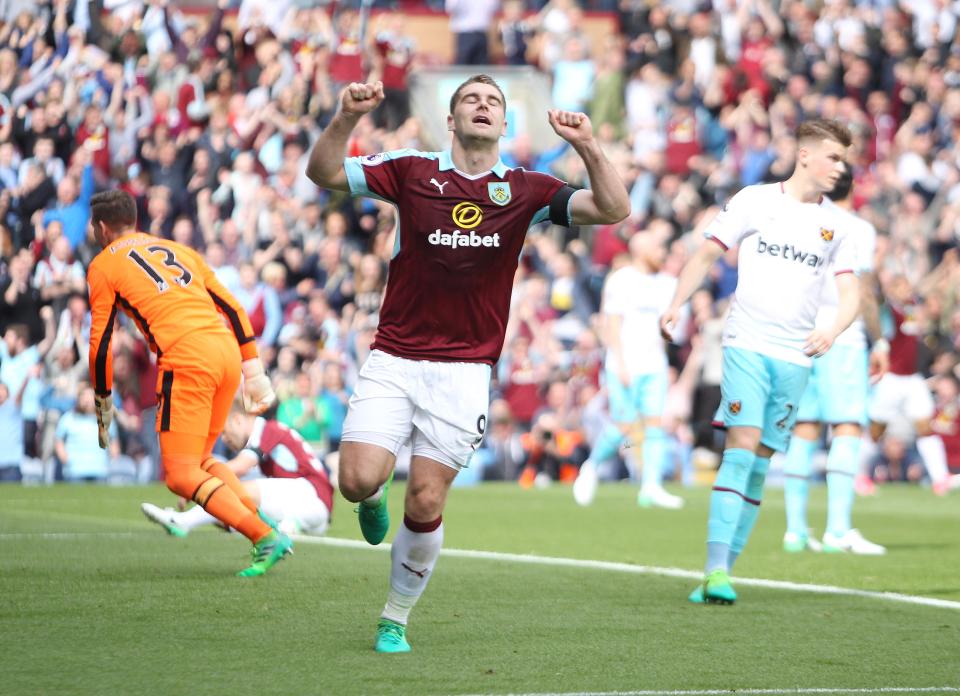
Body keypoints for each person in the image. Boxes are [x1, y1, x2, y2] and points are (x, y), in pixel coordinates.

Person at [306, 75, 629, 652]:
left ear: (505, 125)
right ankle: (373, 496)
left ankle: (394, 617)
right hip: (396, 356)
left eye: (494, 103)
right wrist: (345, 115)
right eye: (470, 101)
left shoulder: (527, 189)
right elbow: (325, 173)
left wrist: (588, 146)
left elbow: (613, 208)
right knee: (356, 481)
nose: (483, 107)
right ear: (450, 121)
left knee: (427, 499)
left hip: (465, 370)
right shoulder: (409, 171)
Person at [660, 119, 861, 605]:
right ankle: (713, 570)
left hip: (797, 356)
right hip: (747, 342)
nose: (840, 167)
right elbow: (706, 254)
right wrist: (677, 302)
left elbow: (852, 291)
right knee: (742, 445)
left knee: (760, 461)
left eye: (843, 159)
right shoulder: (754, 200)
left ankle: (723, 571)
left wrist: (832, 330)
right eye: (833, 156)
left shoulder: (840, 226)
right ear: (806, 154)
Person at [85, 190, 290, 578]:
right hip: (225, 352)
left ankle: (264, 537)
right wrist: (253, 368)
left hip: (187, 359)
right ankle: (265, 524)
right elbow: (232, 306)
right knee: (198, 461)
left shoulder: (102, 265)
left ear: (101, 228)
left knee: (179, 475)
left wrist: (102, 399)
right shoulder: (178, 250)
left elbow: (101, 343)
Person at [782, 165, 889, 556]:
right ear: (853, 186)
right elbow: (863, 293)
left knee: (805, 429)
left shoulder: (800, 222)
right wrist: (880, 342)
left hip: (800, 338)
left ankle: (795, 531)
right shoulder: (858, 228)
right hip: (843, 338)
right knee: (846, 428)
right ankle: (838, 530)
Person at [573, 226, 683, 509]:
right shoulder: (621, 280)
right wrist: (620, 363)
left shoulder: (668, 283)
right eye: (658, 248)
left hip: (654, 364)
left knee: (655, 425)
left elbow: (670, 327)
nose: (663, 254)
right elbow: (612, 325)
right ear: (641, 250)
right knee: (623, 425)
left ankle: (651, 487)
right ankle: (591, 466)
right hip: (625, 364)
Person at [141, 400, 334, 539]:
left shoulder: (266, 429)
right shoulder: (272, 431)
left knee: (233, 492)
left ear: (237, 420)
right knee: (226, 511)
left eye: (224, 432)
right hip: (311, 512)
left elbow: (240, 467)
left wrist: (195, 484)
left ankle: (182, 521)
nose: (224, 439)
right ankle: (288, 527)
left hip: (313, 499)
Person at [861, 274, 952, 496]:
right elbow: (878, 298)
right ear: (892, 289)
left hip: (912, 378)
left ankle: (940, 479)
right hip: (892, 377)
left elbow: (925, 289)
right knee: (875, 431)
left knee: (926, 428)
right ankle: (859, 475)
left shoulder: (911, 307)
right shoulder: (888, 311)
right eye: (901, 286)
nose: (906, 290)